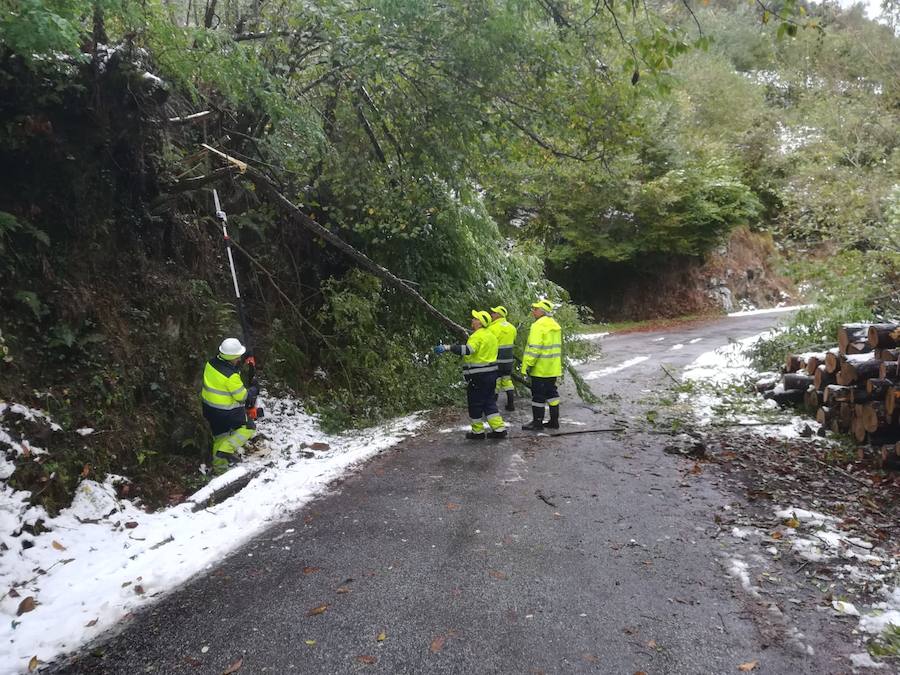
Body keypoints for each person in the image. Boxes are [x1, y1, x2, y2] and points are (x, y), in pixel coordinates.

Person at [435, 310, 508, 440]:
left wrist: (448, 347)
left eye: (475, 318)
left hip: (478, 377)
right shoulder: (491, 336)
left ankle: (478, 432)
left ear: (480, 323)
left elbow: (468, 350)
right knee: (489, 403)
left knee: (475, 404)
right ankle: (499, 430)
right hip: (491, 375)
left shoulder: (477, 336)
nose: (472, 320)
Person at [200, 337, 258, 474]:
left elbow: (227, 370)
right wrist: (254, 389)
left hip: (209, 409)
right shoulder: (231, 376)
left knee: (220, 437)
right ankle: (226, 449)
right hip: (225, 412)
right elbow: (242, 396)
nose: (239, 359)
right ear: (231, 357)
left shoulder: (211, 363)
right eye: (237, 357)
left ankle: (220, 470)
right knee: (249, 427)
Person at [520, 299, 562, 431]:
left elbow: (535, 348)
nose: (533, 311)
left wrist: (528, 365)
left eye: (536, 309)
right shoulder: (555, 325)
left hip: (540, 368)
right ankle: (554, 421)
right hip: (552, 367)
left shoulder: (538, 325)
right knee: (551, 393)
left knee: (538, 395)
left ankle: (537, 423)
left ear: (542, 311)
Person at [487, 305, 517, 411]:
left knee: (495, 382)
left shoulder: (492, 328)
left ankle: (492, 406)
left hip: (496, 359)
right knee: (507, 380)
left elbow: (488, 344)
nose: (492, 314)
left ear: (499, 315)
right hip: (508, 360)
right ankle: (511, 404)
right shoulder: (512, 328)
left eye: (494, 313)